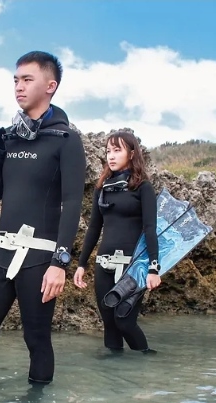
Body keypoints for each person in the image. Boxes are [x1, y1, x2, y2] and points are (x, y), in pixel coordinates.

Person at [0, 51, 86, 385]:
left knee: (36, 340)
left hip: (40, 258)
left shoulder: (66, 140)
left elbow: (72, 203)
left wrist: (60, 263)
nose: (19, 87)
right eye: (16, 80)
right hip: (0, 253)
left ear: (50, 86)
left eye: (28, 79)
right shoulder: (7, 138)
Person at [73, 131, 161, 354]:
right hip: (103, 264)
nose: (111, 156)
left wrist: (153, 268)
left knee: (125, 322)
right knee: (110, 324)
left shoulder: (143, 188)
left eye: (117, 150)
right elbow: (94, 228)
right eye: (108, 151)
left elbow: (150, 229)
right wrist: (82, 264)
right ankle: (114, 370)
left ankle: (147, 361)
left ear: (131, 154)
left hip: (132, 268)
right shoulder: (102, 188)